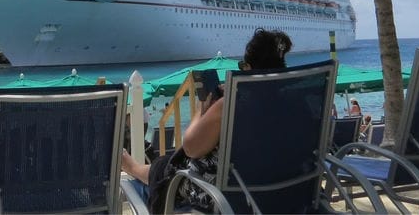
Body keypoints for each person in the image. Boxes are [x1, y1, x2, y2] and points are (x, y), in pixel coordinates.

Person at [122, 28, 293, 213]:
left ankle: (132, 168)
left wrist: (201, 109)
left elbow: (190, 147)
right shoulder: (297, 101)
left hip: (233, 198)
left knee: (165, 170)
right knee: (165, 165)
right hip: (286, 191)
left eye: (243, 65)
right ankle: (134, 168)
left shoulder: (230, 105)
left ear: (249, 68)